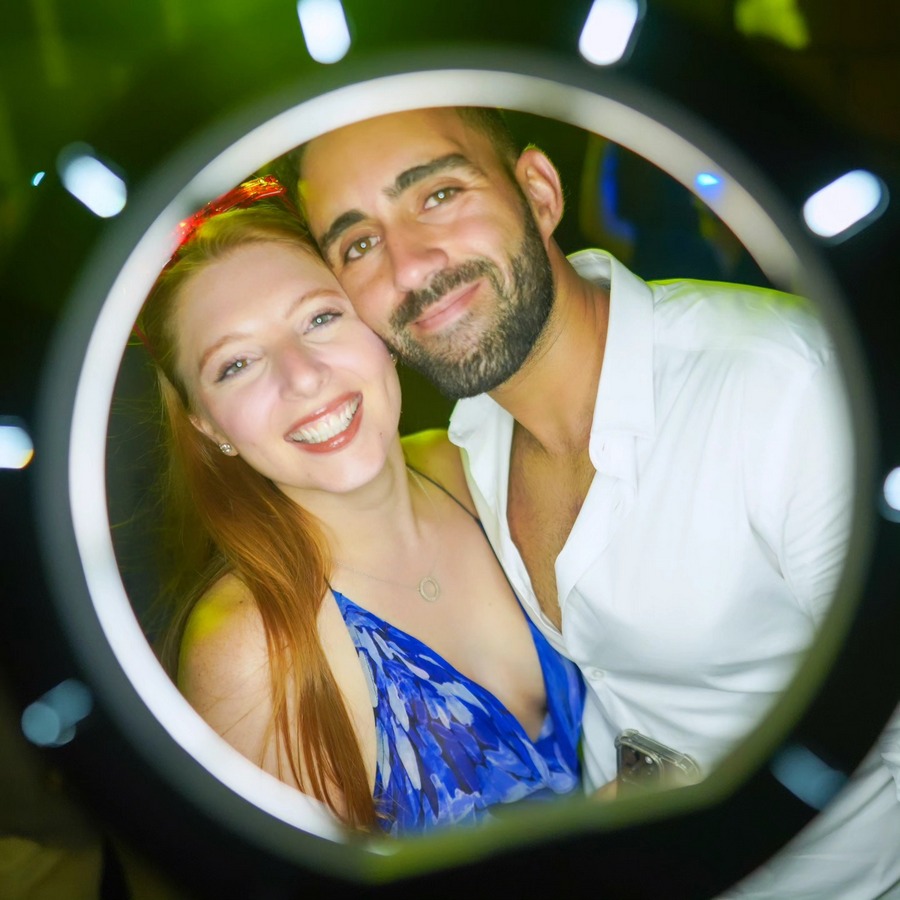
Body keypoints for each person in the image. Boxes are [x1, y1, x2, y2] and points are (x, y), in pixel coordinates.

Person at [295, 107, 900, 895]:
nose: (408, 267)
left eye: (438, 195)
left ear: (540, 193)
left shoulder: (785, 388)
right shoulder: (472, 441)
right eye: (358, 244)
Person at [136, 185, 585, 837]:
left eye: (320, 319)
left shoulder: (480, 462)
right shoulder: (249, 652)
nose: (302, 376)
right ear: (208, 425)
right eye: (236, 364)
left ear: (380, 327)